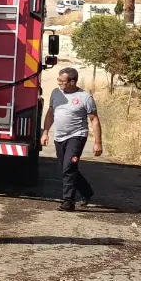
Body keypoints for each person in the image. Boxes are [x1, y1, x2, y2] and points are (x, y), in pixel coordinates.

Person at [40, 67, 102, 211]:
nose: (59, 83)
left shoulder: (85, 98)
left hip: (77, 136)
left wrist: (98, 143)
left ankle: (68, 201)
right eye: (58, 80)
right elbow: (50, 113)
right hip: (59, 137)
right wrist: (45, 132)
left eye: (62, 81)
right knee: (67, 168)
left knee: (68, 167)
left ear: (72, 82)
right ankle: (87, 192)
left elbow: (94, 120)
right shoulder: (56, 93)